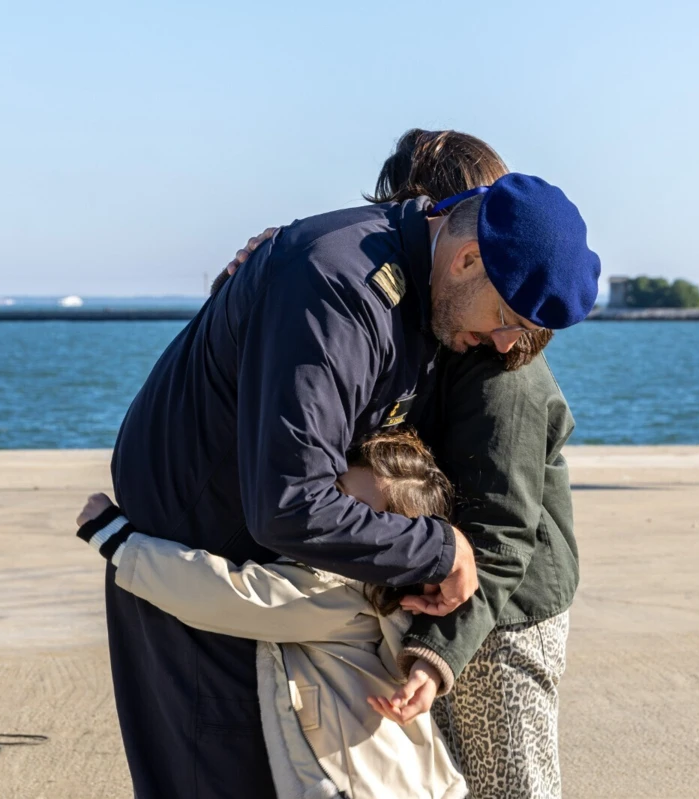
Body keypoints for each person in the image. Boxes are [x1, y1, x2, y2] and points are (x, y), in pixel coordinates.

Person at [106, 125, 600, 798]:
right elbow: (290, 500)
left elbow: (504, 533)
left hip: (407, 598)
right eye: (508, 316)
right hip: (200, 554)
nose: (511, 343)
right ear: (463, 259)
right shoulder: (342, 290)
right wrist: (437, 549)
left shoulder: (456, 322)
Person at [75, 431, 466, 799]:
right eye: (333, 494)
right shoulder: (385, 596)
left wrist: (118, 540)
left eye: (355, 512)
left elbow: (228, 595)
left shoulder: (337, 593)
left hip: (350, 783)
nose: (334, 514)